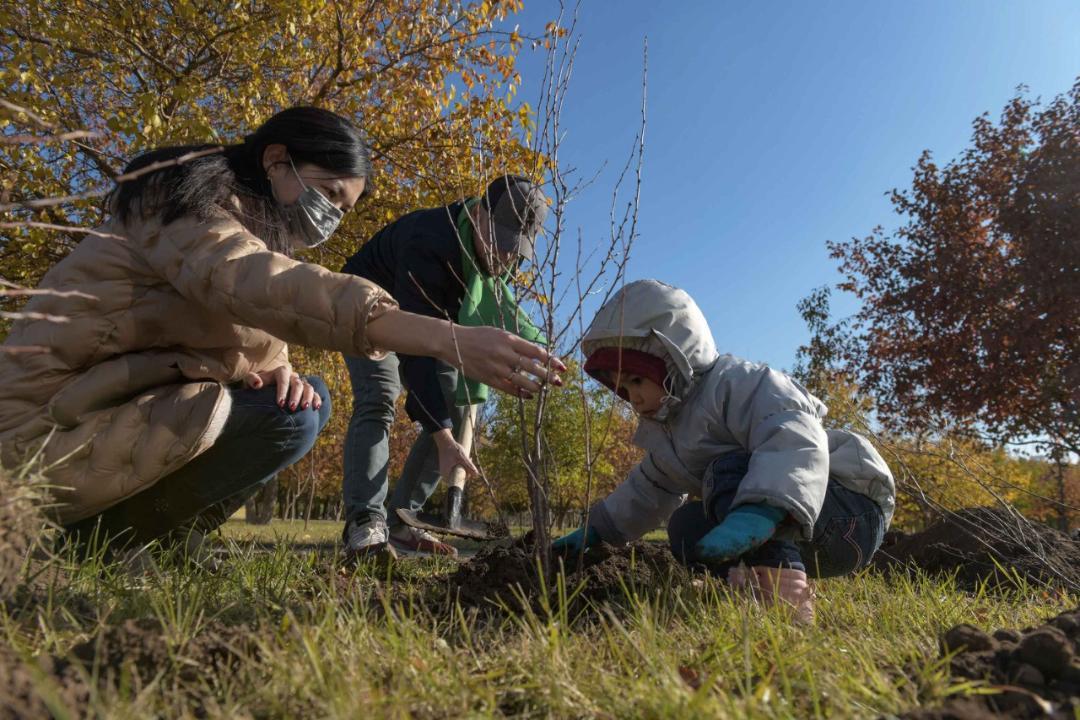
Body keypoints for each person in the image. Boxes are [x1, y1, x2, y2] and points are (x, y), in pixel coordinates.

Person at [0, 107, 563, 561]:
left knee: (301, 402)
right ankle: (102, 539)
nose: (330, 218)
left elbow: (257, 327)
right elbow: (264, 286)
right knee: (369, 405)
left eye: (343, 209)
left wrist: (275, 369)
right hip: (43, 424)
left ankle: (156, 535)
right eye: (329, 194)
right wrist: (449, 345)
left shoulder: (261, 230)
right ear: (277, 160)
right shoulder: (180, 208)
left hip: (108, 401)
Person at [552, 279, 894, 623]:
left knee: (725, 470)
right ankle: (749, 584)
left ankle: (785, 594)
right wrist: (600, 530)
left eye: (638, 380)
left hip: (849, 507)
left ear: (672, 360)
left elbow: (792, 435)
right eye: (623, 388)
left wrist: (762, 509)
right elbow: (648, 488)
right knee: (685, 526)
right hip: (807, 528)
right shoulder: (670, 432)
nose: (633, 397)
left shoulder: (737, 384)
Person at [339, 175, 549, 559]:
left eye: (514, 249)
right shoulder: (431, 241)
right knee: (379, 396)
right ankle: (365, 525)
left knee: (454, 403)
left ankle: (402, 522)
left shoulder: (494, 261)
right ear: (480, 213)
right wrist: (442, 437)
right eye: (499, 241)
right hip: (365, 304)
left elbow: (481, 321)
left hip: (431, 320)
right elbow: (417, 354)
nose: (504, 257)